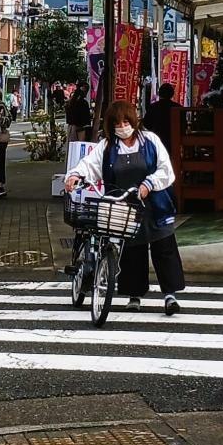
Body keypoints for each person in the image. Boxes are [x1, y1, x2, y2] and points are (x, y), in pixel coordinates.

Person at [64, 99, 184, 315]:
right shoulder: (108, 146)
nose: (122, 127)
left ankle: (170, 295)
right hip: (125, 207)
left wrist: (149, 183)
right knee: (132, 250)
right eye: (117, 124)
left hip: (155, 205)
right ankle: (134, 295)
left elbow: (166, 170)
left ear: (134, 121)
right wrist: (74, 174)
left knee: (164, 248)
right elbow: (89, 164)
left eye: (126, 121)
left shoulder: (151, 141)